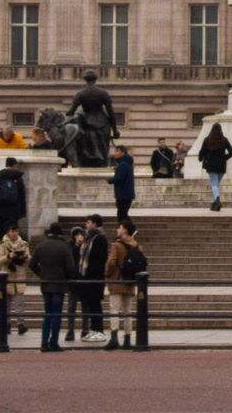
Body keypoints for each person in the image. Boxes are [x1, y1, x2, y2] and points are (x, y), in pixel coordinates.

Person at [30, 222, 78, 351]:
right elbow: (71, 268)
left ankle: (44, 342)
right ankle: (54, 342)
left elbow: (32, 264)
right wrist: (66, 277)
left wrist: (42, 274)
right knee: (57, 313)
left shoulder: (41, 246)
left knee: (48, 313)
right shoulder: (64, 247)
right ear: (60, 232)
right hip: (59, 284)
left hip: (46, 284)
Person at [106, 218, 145, 350]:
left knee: (115, 310)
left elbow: (111, 262)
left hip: (117, 280)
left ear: (125, 230)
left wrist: (108, 273)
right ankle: (127, 338)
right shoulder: (136, 245)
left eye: (120, 227)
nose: (118, 229)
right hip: (129, 281)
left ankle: (114, 338)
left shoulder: (117, 245)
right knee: (128, 311)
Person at [77, 214, 111, 342]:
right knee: (91, 304)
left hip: (95, 277)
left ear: (95, 224)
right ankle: (94, 329)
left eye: (89, 222)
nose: (87, 224)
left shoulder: (99, 238)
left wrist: (90, 271)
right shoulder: (89, 238)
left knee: (95, 303)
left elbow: (100, 259)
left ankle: (99, 330)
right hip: (87, 277)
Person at [0, 223, 32, 336]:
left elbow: (29, 260)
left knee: (20, 303)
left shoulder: (24, 244)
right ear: (8, 232)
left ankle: (20, 324)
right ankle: (7, 324)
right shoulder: (2, 245)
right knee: (6, 303)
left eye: (16, 231)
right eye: (12, 231)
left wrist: (25, 257)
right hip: (7, 277)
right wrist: (9, 256)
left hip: (19, 276)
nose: (15, 233)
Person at [198, 126, 232, 212]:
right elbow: (231, 151)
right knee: (216, 184)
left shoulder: (207, 139)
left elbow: (202, 151)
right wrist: (224, 157)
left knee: (214, 184)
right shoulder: (224, 140)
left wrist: (200, 158)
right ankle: (214, 203)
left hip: (211, 164)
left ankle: (217, 199)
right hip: (221, 165)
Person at [112, 145, 137, 222]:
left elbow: (119, 178)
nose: (115, 153)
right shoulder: (125, 163)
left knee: (121, 215)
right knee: (123, 214)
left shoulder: (123, 164)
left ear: (122, 152)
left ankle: (129, 230)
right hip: (126, 194)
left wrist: (110, 180)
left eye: (117, 151)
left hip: (123, 194)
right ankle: (129, 230)